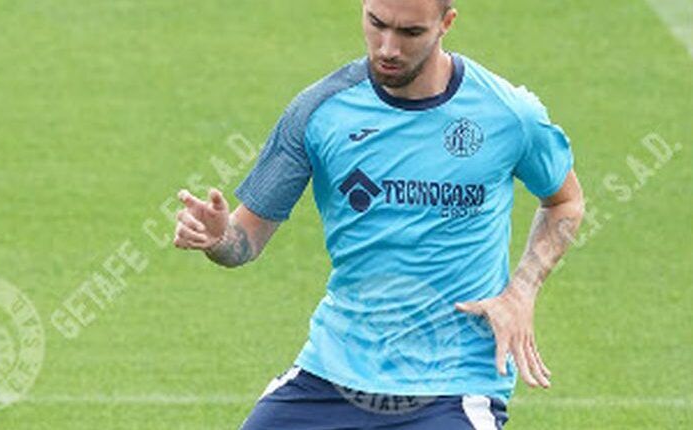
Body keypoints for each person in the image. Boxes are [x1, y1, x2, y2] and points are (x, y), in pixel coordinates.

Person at [173, 0, 585, 428]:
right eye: (377, 24)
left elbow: (565, 201)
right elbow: (244, 242)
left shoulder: (507, 115)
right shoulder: (319, 111)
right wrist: (219, 238)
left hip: (452, 385)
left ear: (446, 23)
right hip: (330, 376)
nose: (388, 48)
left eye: (410, 33)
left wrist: (522, 291)